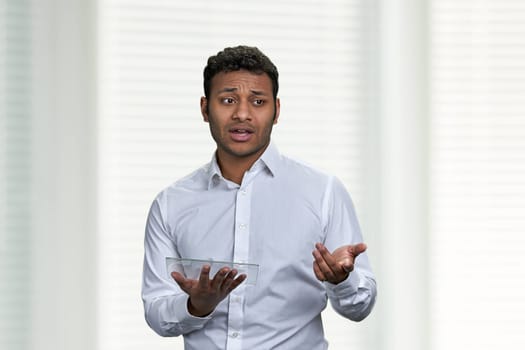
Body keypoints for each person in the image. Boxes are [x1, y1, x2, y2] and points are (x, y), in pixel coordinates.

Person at [141, 45, 377, 349]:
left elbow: (360, 307)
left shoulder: (323, 192)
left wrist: (340, 281)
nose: (242, 113)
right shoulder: (171, 204)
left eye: (258, 101)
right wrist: (195, 306)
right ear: (204, 108)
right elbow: (156, 311)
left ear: (276, 110)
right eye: (227, 100)